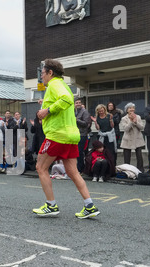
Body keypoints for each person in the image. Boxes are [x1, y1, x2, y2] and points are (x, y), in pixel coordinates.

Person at [32, 59, 100, 219]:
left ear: (50, 73)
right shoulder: (64, 86)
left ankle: (51, 205)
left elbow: (66, 100)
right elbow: (66, 99)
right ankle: (89, 205)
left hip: (58, 134)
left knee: (41, 168)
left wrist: (46, 110)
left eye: (43, 73)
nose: (41, 76)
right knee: (72, 171)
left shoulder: (54, 84)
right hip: (71, 135)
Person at [120, 102, 145, 172]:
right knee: (127, 157)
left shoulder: (138, 117)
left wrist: (136, 122)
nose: (132, 109)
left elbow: (142, 127)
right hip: (128, 139)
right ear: (127, 110)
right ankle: (127, 170)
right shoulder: (124, 118)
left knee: (139, 156)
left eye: (133, 108)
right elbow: (126, 129)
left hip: (137, 138)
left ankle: (140, 170)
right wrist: (131, 121)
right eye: (130, 108)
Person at [74, 97, 91, 173]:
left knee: (80, 152)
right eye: (76, 103)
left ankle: (80, 169)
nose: (78, 104)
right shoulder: (73, 111)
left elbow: (86, 123)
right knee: (74, 153)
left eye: (79, 103)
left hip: (82, 134)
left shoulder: (84, 112)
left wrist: (77, 120)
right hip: (73, 134)